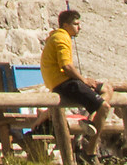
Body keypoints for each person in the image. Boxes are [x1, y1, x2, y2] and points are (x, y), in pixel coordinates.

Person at [40, 9, 114, 143]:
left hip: (64, 81)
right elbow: (66, 67)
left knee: (107, 88)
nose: (79, 27)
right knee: (104, 107)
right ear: (65, 25)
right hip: (63, 84)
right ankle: (89, 148)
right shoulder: (61, 38)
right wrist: (84, 80)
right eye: (75, 24)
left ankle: (90, 120)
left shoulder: (59, 36)